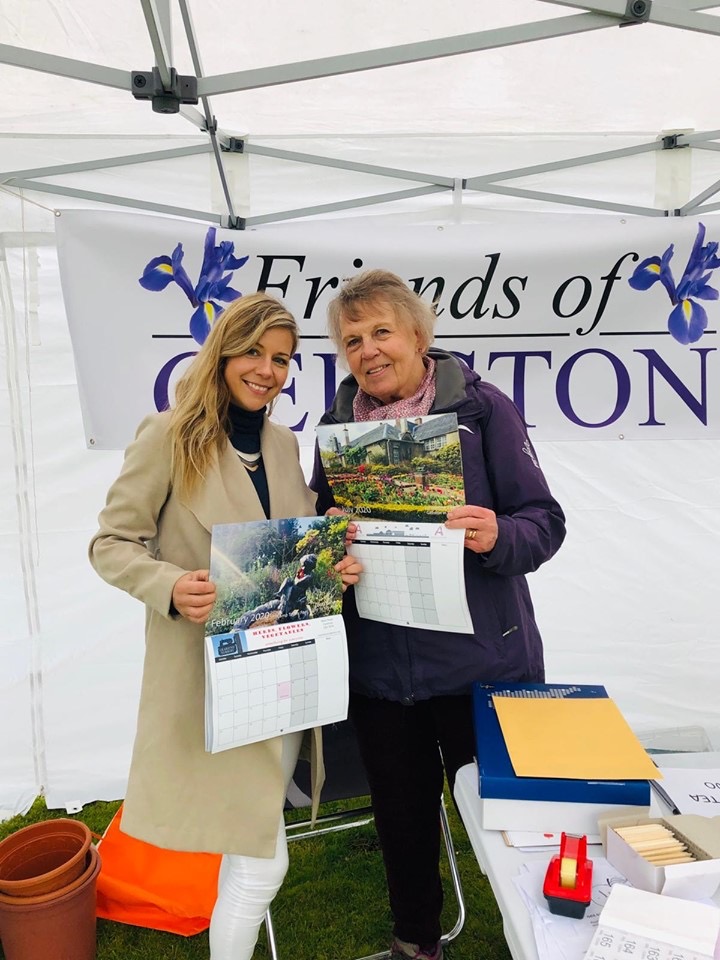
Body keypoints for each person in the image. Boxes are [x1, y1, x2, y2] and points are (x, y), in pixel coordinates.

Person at [89, 292, 360, 960]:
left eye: (282, 359)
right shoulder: (167, 435)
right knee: (261, 860)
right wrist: (169, 586)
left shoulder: (282, 443)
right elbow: (110, 544)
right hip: (208, 684)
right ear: (222, 353)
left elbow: (288, 544)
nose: (267, 370)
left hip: (283, 677)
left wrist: (331, 560)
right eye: (254, 352)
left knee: (254, 849)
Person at [311, 269, 566, 960]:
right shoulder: (336, 429)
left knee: (511, 820)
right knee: (401, 819)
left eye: (382, 332)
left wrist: (498, 534)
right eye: (352, 340)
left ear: (419, 336)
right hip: (382, 670)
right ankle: (416, 943)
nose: (368, 350)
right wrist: (328, 540)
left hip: (482, 663)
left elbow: (544, 522)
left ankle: (545, 936)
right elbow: (318, 527)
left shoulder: (483, 411)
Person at [234, 552, 318, 629]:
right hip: (287, 597)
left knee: (289, 583)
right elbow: (295, 581)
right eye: (302, 566)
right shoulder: (302, 573)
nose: (302, 568)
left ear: (309, 566)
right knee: (287, 580)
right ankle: (280, 594)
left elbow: (297, 583)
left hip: (295, 600)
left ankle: (284, 609)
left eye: (304, 566)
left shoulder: (309, 576)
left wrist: (297, 577)